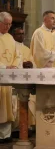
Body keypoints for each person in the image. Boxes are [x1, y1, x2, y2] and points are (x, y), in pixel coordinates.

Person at [0, 12, 21, 143]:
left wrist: (14, 66)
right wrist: (4, 67)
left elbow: (17, 55)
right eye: (6, 24)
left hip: (7, 80)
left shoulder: (10, 38)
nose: (8, 27)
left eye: (10, 24)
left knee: (7, 107)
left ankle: (5, 135)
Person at [12, 27, 36, 128]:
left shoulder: (27, 49)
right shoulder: (11, 46)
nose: (21, 36)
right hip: (14, 82)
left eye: (22, 34)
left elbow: (32, 62)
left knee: (32, 99)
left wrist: (31, 64)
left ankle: (27, 126)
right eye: (19, 34)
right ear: (14, 35)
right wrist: (22, 64)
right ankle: (15, 127)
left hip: (26, 81)